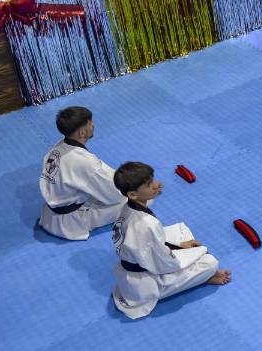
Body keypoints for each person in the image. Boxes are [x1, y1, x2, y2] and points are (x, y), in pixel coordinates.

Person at [110, 161, 230, 319]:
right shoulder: (147, 224)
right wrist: (189, 253)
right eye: (149, 184)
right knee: (209, 262)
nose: (155, 185)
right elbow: (164, 264)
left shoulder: (127, 207)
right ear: (133, 194)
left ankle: (186, 257)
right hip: (144, 285)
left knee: (181, 231)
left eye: (152, 180)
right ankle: (204, 278)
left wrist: (179, 245)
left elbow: (149, 241)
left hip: (129, 270)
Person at [38, 106, 125, 240]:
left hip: (50, 215)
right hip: (72, 221)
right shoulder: (86, 162)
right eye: (90, 123)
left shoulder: (57, 147)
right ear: (82, 133)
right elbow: (115, 195)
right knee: (138, 199)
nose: (93, 125)